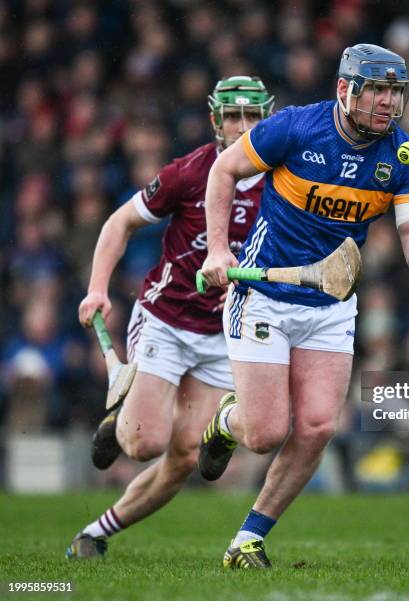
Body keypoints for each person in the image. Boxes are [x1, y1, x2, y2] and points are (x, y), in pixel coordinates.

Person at [198, 44, 409, 568]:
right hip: (264, 294)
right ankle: (228, 420)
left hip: (331, 301)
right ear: (346, 90)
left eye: (396, 91)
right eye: (379, 90)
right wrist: (216, 248)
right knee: (265, 433)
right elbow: (223, 171)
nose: (390, 103)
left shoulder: (405, 157)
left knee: (320, 425)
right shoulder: (297, 128)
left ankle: (248, 538)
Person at [66, 76, 274, 558]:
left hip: (222, 335)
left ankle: (96, 534)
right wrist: (98, 287)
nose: (242, 127)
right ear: (215, 121)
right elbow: (120, 222)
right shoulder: (189, 172)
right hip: (165, 319)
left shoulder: (284, 184)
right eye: (232, 116)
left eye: (252, 116)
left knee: (182, 457)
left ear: (267, 118)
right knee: (144, 445)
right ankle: (121, 424)